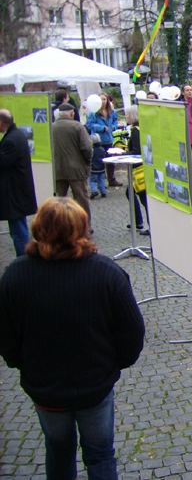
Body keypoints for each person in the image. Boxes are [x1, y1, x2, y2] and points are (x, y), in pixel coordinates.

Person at [0, 197, 145, 480]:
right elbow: (132, 332)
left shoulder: (15, 275)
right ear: (83, 229)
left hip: (45, 387)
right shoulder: (107, 273)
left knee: (58, 450)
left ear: (38, 228)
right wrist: (113, 366)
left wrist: (22, 364)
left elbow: (5, 334)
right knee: (100, 454)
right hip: (94, 387)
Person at [0, 109, 37, 257]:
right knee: (18, 227)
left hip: (14, 193)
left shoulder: (11, 140)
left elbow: (3, 163)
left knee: (18, 231)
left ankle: (24, 261)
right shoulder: (16, 135)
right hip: (17, 192)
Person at [53, 103, 93, 225]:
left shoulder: (51, 127)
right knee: (81, 199)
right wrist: (88, 161)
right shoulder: (77, 126)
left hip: (58, 169)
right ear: (71, 113)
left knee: (60, 200)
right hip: (76, 169)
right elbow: (86, 147)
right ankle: (84, 225)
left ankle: (60, 225)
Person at [124, 105, 150, 234]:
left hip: (139, 170)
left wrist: (122, 154)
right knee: (132, 193)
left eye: (127, 115)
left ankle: (146, 224)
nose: (125, 117)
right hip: (142, 168)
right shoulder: (141, 127)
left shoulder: (135, 130)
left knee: (143, 198)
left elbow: (137, 151)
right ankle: (139, 221)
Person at [86, 92, 121, 187]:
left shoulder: (111, 111)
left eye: (104, 99)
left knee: (111, 161)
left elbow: (115, 120)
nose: (103, 101)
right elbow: (89, 124)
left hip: (108, 139)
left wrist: (113, 127)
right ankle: (99, 181)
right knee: (98, 161)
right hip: (98, 140)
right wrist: (101, 128)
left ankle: (111, 179)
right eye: (101, 99)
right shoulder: (93, 113)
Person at [89, 134, 107, 199]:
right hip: (102, 168)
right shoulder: (102, 149)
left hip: (93, 169)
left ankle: (94, 191)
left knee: (93, 181)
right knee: (102, 180)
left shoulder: (91, 150)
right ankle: (103, 192)